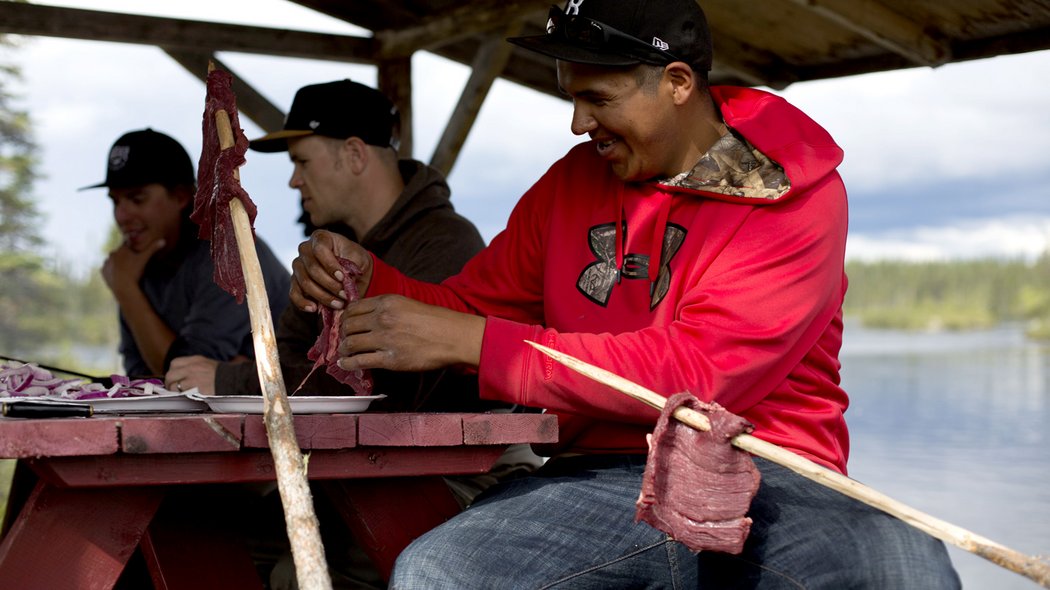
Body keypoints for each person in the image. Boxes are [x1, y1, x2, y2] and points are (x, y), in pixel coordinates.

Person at [288, 1, 963, 588]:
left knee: (906, 566)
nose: (578, 123)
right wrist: (371, 282)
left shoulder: (791, 191)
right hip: (597, 478)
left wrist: (479, 343)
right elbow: (469, 311)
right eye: (571, 97)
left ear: (677, 83)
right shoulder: (567, 184)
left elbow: (700, 376)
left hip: (772, 474)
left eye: (599, 99)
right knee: (439, 572)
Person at [167, 80, 540, 588]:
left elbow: (382, 393)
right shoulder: (330, 247)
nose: (294, 181)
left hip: (463, 475)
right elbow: (291, 354)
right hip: (365, 470)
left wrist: (228, 380)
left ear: (355, 154)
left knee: (293, 574)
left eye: (302, 161)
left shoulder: (445, 244)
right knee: (204, 536)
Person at [83, 128, 289, 379]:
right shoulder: (141, 261)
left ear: (181, 197)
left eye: (137, 199)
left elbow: (187, 375)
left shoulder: (227, 254)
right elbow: (140, 376)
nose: (121, 215)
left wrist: (127, 291)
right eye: (115, 201)